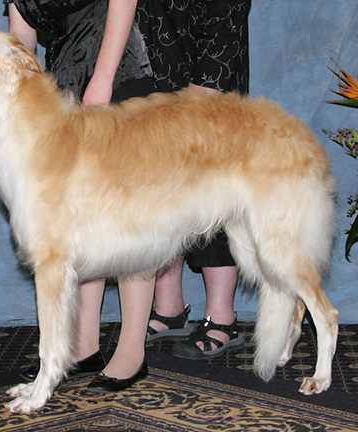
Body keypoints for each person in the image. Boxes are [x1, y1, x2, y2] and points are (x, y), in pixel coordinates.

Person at [0, 0, 158, 392]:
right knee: (81, 227)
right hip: (62, 94)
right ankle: (83, 346)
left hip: (118, 79)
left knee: (131, 223)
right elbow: (23, 40)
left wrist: (102, 79)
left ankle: (131, 351)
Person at [138, 0, 251, 360]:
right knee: (158, 200)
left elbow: (226, 21)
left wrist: (205, 90)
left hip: (207, 86)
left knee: (213, 202)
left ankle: (223, 316)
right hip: (151, 86)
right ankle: (169, 308)